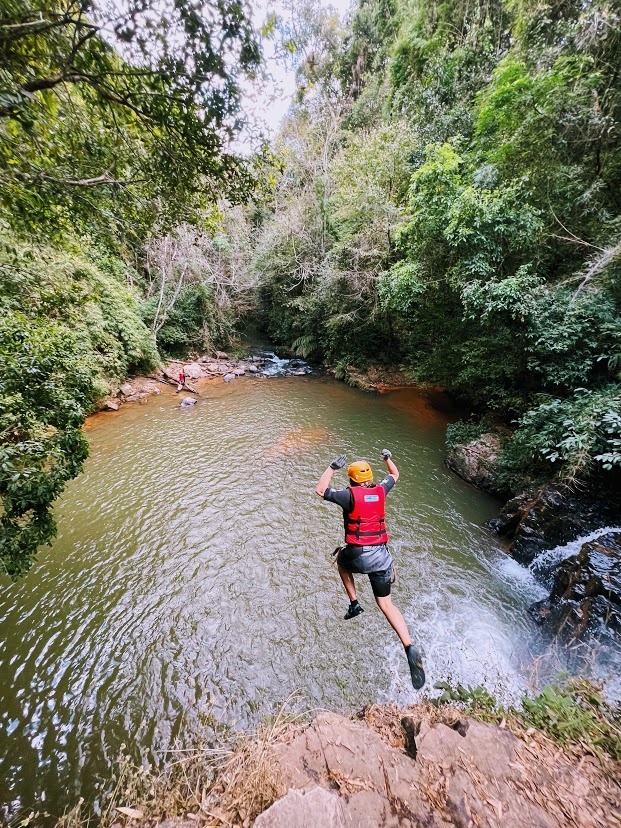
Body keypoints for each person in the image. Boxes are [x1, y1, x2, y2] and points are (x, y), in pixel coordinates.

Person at [315, 449, 425, 689]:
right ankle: (408, 645)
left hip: (356, 555)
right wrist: (387, 458)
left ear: (352, 479)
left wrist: (332, 467)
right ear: (369, 476)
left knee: (340, 561)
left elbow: (321, 490)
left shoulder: (349, 495)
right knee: (387, 604)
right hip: (381, 558)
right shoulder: (381, 490)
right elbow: (395, 474)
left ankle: (354, 602)